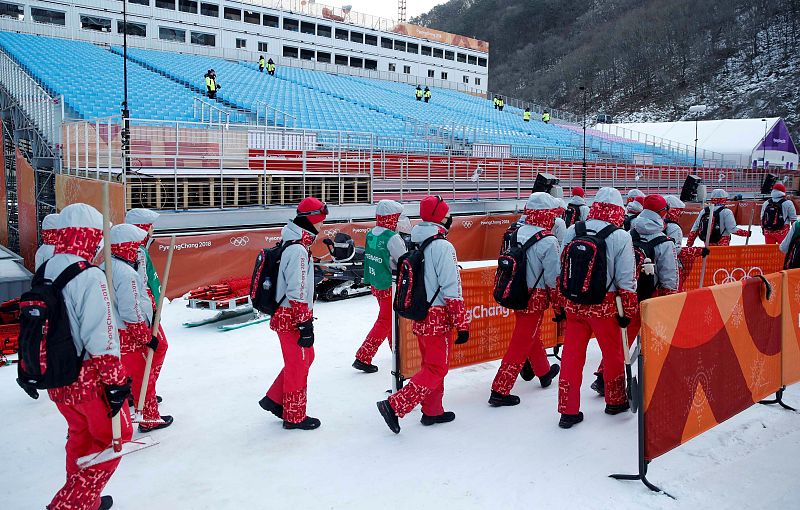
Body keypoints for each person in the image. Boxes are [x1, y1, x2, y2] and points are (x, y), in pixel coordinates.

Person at [41, 203, 132, 510]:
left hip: (56, 375)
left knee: (80, 436)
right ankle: (70, 504)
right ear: (90, 236)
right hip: (87, 378)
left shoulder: (46, 269)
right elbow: (101, 335)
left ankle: (86, 500)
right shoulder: (88, 275)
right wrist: (116, 382)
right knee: (115, 437)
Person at [376, 195, 469, 433]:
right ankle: (395, 406)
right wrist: (462, 322)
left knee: (430, 364)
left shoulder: (416, 241)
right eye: (447, 215)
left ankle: (432, 410)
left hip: (421, 312)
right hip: (438, 315)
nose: (450, 219)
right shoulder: (443, 246)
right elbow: (452, 287)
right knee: (437, 368)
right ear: (441, 217)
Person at [557, 187, 637, 428]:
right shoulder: (620, 236)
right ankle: (615, 401)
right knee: (613, 354)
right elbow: (626, 278)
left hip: (575, 303)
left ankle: (568, 410)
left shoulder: (574, 230)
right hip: (605, 305)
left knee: (571, 357)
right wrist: (629, 311)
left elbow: (562, 267)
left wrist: (561, 302)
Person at [591, 195, 679, 396]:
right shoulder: (664, 242)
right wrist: (670, 298)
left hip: (627, 294)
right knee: (656, 338)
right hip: (653, 296)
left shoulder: (629, 234)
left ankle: (603, 376)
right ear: (661, 214)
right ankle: (658, 376)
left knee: (622, 338)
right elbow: (669, 275)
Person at [260, 197, 328, 430]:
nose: (322, 226)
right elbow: (296, 291)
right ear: (312, 221)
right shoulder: (298, 249)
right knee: (298, 363)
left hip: (289, 314)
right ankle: (294, 416)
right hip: (291, 316)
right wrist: (304, 324)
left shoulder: (295, 243)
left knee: (305, 358)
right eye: (321, 221)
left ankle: (275, 399)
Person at [489, 193, 561, 407]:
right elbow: (552, 278)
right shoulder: (549, 240)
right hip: (535, 296)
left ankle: (544, 372)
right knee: (521, 342)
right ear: (548, 214)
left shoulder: (517, 232)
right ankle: (500, 389)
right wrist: (559, 306)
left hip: (515, 291)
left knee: (529, 334)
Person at [105, 224, 173, 432]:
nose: (137, 251)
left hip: (113, 332)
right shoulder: (126, 274)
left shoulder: (108, 266)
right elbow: (130, 311)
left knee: (122, 377)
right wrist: (145, 336)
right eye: (134, 246)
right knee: (144, 376)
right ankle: (149, 418)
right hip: (129, 334)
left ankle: (121, 417)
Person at [125, 208, 169, 429]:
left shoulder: (140, 250)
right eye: (150, 226)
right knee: (152, 352)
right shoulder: (137, 253)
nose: (153, 230)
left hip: (145, 313)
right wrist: (151, 312)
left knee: (156, 351)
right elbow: (141, 287)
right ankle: (141, 395)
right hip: (141, 317)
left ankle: (139, 393)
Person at [353, 200, 407, 373]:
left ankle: (397, 351)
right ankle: (363, 356)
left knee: (389, 319)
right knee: (385, 320)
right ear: (392, 218)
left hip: (377, 283)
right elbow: (403, 260)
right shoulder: (392, 237)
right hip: (390, 284)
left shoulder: (372, 233)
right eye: (397, 217)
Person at [663, 195, 708, 291]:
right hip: (671, 269)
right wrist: (697, 251)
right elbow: (675, 251)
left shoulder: (654, 224)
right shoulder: (674, 228)